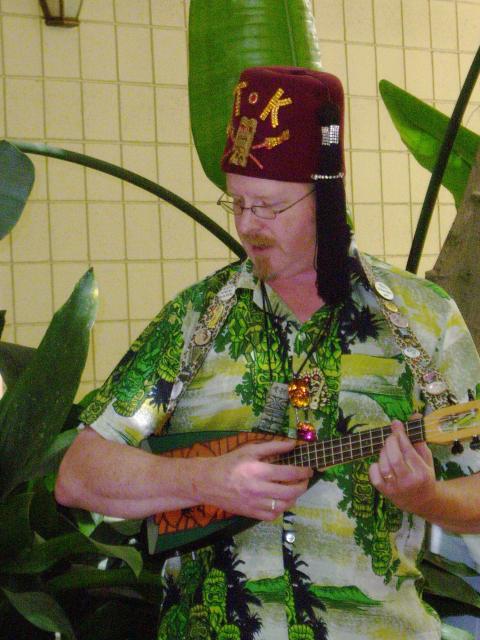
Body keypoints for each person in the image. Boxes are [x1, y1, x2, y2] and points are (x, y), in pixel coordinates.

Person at [56, 66, 480, 640]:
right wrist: (206, 480)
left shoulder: (422, 320)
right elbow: (78, 475)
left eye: (269, 207)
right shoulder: (195, 319)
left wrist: (427, 498)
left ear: (325, 196)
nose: (248, 226)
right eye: (236, 203)